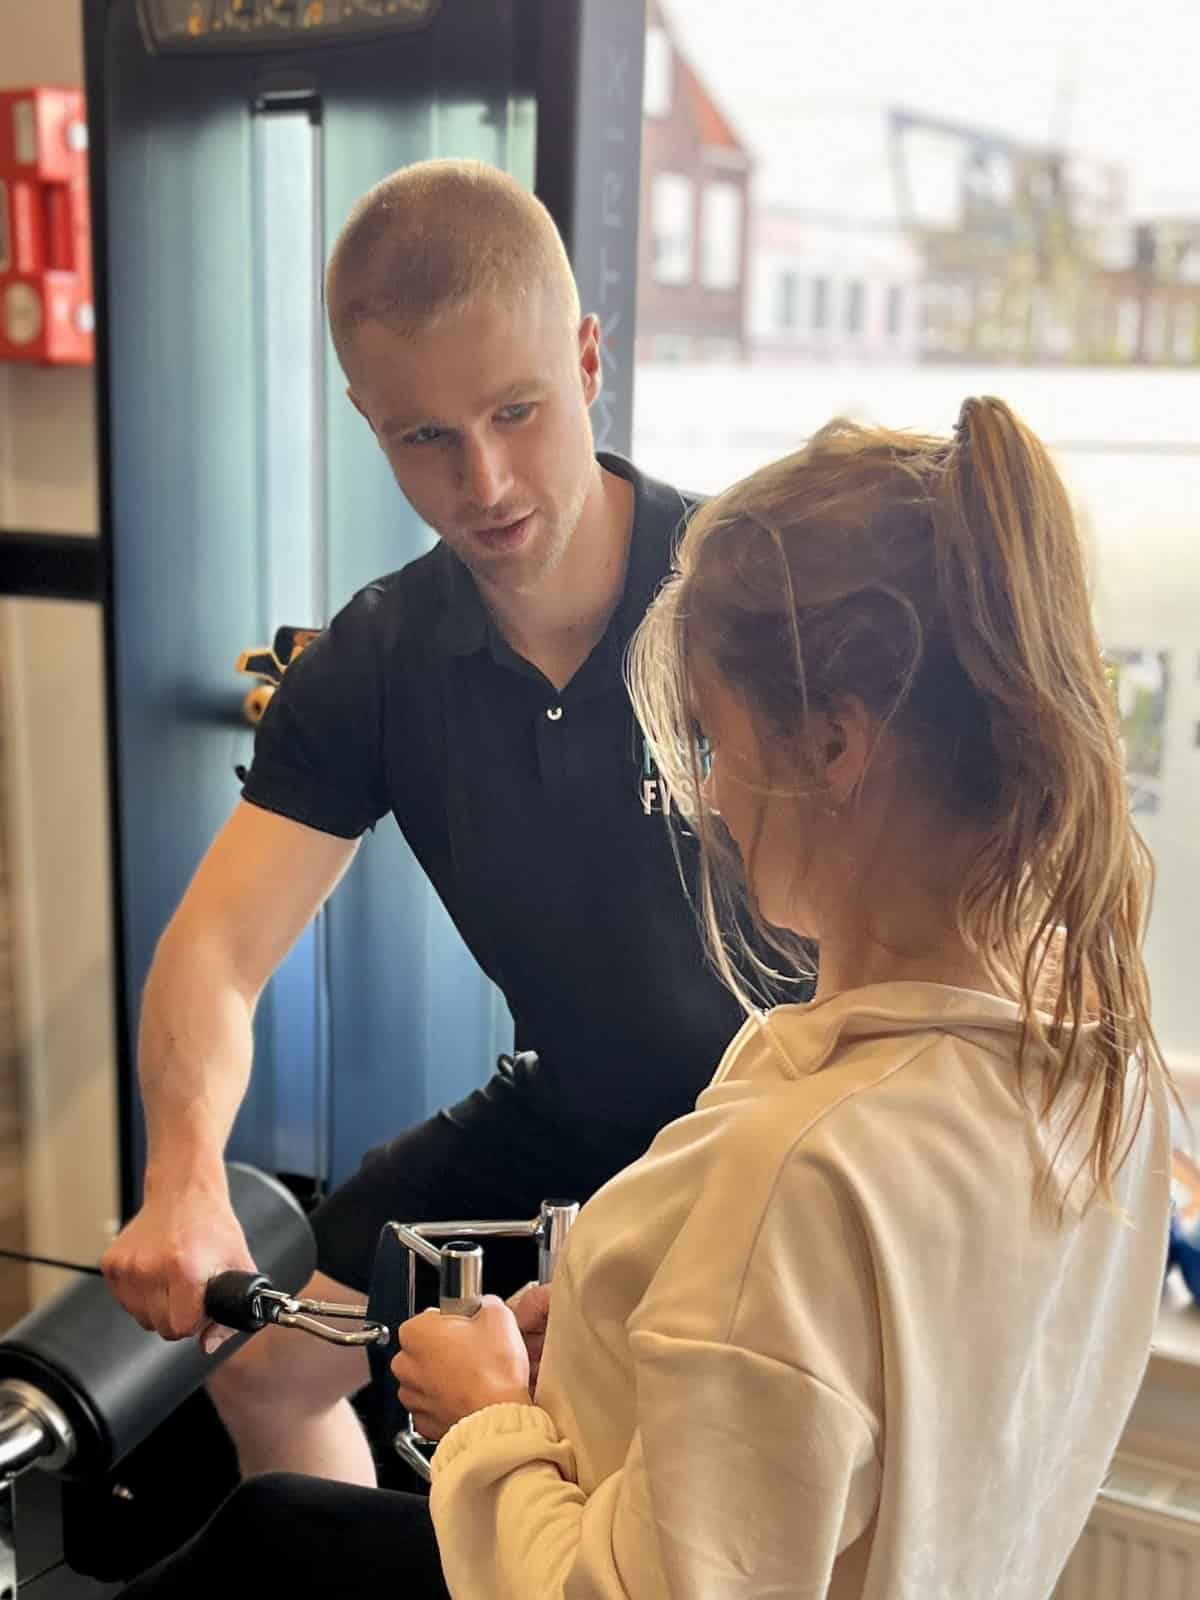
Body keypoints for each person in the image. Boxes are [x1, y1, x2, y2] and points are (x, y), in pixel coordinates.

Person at [117, 396, 1173, 1599]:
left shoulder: (804, 1175)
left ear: (837, 748)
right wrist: (605, 1349)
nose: (709, 797)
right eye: (424, 436)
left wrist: (490, 1421)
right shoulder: (1109, 1068)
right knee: (287, 1524)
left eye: (715, 745)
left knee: (271, 1550)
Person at [100, 159, 765, 1484]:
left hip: (773, 1136)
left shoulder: (745, 601)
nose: (486, 479)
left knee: (648, 1452)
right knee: (268, 1367)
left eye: (517, 410)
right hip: (571, 1112)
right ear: (367, 417)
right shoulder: (379, 662)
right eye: (425, 438)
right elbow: (215, 953)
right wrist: (184, 1177)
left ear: (588, 358)